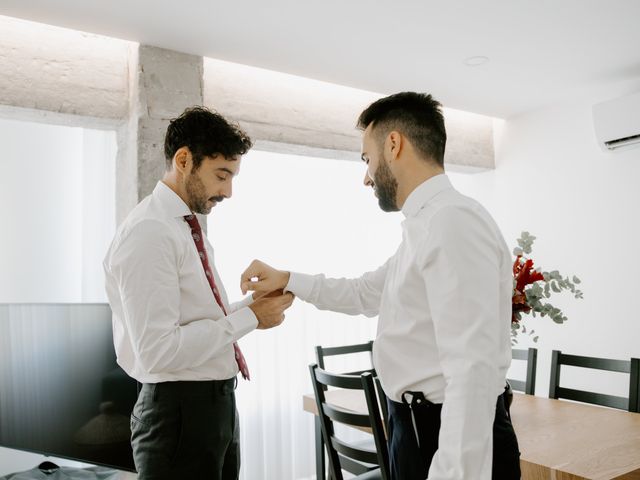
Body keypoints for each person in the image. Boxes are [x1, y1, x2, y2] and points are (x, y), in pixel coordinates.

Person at [240, 92, 521, 479]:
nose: (366, 177)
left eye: (366, 159)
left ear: (393, 145)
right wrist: (289, 279)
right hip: (413, 429)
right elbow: (365, 292)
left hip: (443, 437)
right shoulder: (425, 226)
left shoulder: (451, 223)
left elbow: (472, 367)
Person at [104, 106, 294, 480]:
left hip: (212, 407)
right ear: (184, 160)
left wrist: (252, 307)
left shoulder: (184, 226)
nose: (228, 191)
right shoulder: (150, 232)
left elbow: (195, 321)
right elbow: (158, 351)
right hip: (179, 416)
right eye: (221, 175)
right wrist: (250, 318)